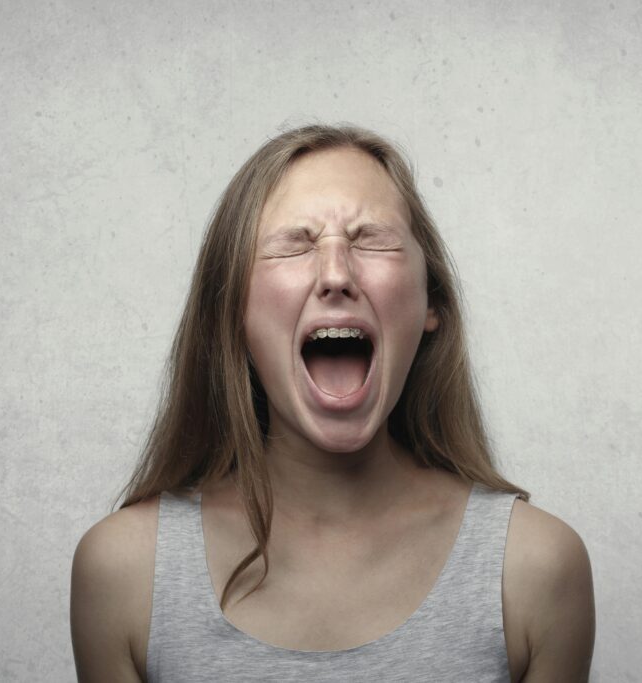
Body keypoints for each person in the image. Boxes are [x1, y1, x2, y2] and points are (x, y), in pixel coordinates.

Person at [70, 124, 595, 682]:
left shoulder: (535, 569)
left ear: (430, 303)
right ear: (231, 313)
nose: (336, 274)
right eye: (294, 243)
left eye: (371, 238)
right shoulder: (125, 574)